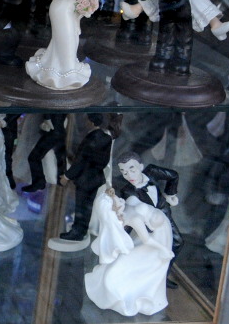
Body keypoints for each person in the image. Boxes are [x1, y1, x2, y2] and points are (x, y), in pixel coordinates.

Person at [85, 188, 173, 316]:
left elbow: (147, 239)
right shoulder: (130, 210)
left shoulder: (133, 213)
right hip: (150, 236)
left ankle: (131, 293)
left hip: (158, 237)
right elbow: (144, 237)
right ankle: (115, 291)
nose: (119, 200)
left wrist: (164, 249)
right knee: (115, 269)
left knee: (133, 267)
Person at [58, 113, 114, 240]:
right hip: (96, 177)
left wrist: (66, 176)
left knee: (81, 207)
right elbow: (105, 160)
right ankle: (81, 231)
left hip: (85, 178)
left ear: (91, 122)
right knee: (87, 207)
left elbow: (80, 161)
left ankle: (77, 232)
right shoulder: (106, 138)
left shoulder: (91, 138)